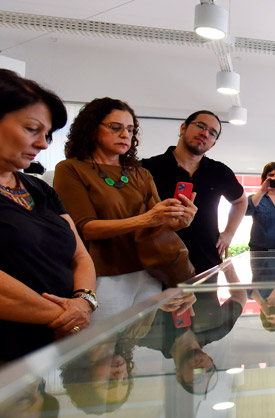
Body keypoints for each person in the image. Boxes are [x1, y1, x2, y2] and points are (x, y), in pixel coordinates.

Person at [0, 69, 97, 367]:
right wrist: (67, 316)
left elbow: (80, 256)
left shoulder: (37, 188)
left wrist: (84, 301)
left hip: (43, 352)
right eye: (32, 129)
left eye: (47, 135)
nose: (44, 144)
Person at [54, 98, 197, 319]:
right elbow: (84, 229)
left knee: (132, 348)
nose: (125, 135)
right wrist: (147, 219)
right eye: (115, 127)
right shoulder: (71, 169)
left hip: (148, 271)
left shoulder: (140, 173)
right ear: (92, 127)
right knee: (101, 350)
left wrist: (179, 220)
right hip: (103, 275)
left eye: (130, 130)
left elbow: (157, 222)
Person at [142, 110, 247, 273]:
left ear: (213, 144)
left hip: (207, 265)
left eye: (212, 133)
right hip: (158, 267)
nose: (205, 133)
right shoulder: (148, 168)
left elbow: (240, 201)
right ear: (183, 127)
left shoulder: (219, 171)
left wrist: (228, 233)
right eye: (200, 126)